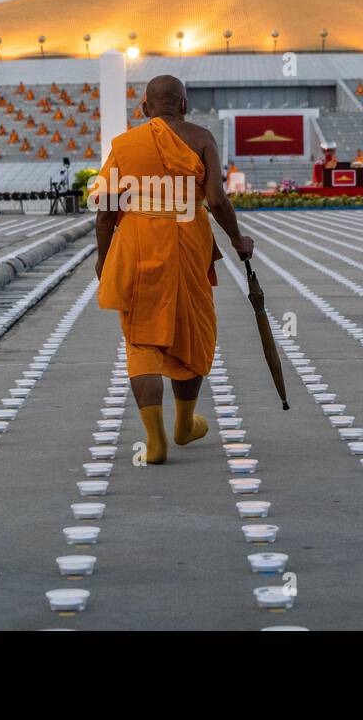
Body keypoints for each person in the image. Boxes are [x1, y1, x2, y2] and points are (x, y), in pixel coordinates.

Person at [94, 75, 254, 465]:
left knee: (142, 339)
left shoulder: (126, 146)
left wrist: (102, 258)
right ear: (184, 105)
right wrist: (237, 239)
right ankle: (184, 424)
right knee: (190, 327)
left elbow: (106, 210)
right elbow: (216, 199)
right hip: (188, 242)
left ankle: (155, 441)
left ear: (146, 108)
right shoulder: (201, 138)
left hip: (136, 243)